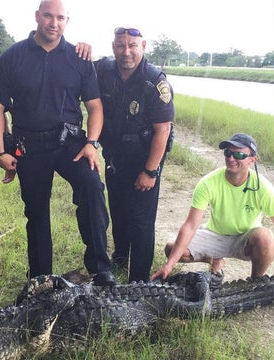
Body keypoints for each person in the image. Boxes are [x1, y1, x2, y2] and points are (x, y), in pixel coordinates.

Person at [0, 0, 115, 286]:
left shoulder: (79, 57)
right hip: (28, 146)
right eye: (48, 16)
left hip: (70, 142)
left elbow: (95, 107)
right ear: (37, 17)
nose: (54, 23)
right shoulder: (13, 56)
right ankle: (41, 278)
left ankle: (100, 268)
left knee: (92, 186)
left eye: (60, 18)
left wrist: (92, 143)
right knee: (36, 211)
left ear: (67, 21)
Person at [151, 133, 274, 283]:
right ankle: (215, 260)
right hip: (215, 235)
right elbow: (190, 225)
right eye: (228, 153)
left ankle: (255, 281)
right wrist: (170, 265)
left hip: (246, 240)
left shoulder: (264, 188)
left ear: (252, 160)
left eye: (239, 155)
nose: (231, 159)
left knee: (266, 237)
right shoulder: (208, 183)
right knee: (171, 248)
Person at [94, 27, 174, 283]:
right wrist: (81, 47)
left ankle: (138, 279)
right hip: (116, 159)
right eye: (120, 45)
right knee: (118, 211)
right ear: (113, 46)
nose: (126, 51)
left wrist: (150, 171)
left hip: (145, 159)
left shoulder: (155, 81)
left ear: (143, 46)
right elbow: (75, 64)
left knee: (141, 220)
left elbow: (163, 130)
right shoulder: (103, 70)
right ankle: (120, 258)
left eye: (132, 45)